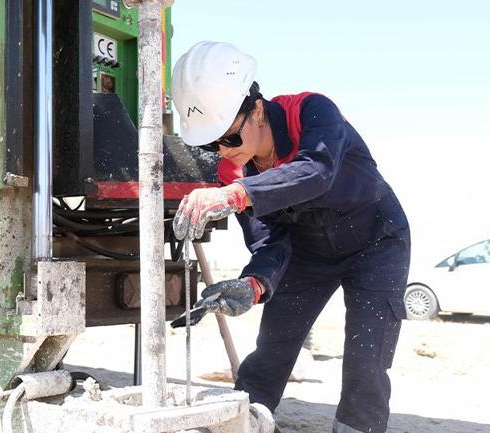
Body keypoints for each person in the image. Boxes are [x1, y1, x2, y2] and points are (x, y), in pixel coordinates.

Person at [170, 41, 411, 433]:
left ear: (257, 110)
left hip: (377, 243)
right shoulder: (234, 172)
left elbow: (316, 171)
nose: (222, 151)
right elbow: (269, 240)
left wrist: (237, 195)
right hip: (308, 254)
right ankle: (245, 425)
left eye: (229, 138)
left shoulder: (312, 112)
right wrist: (253, 283)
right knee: (271, 350)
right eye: (211, 143)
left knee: (366, 361)